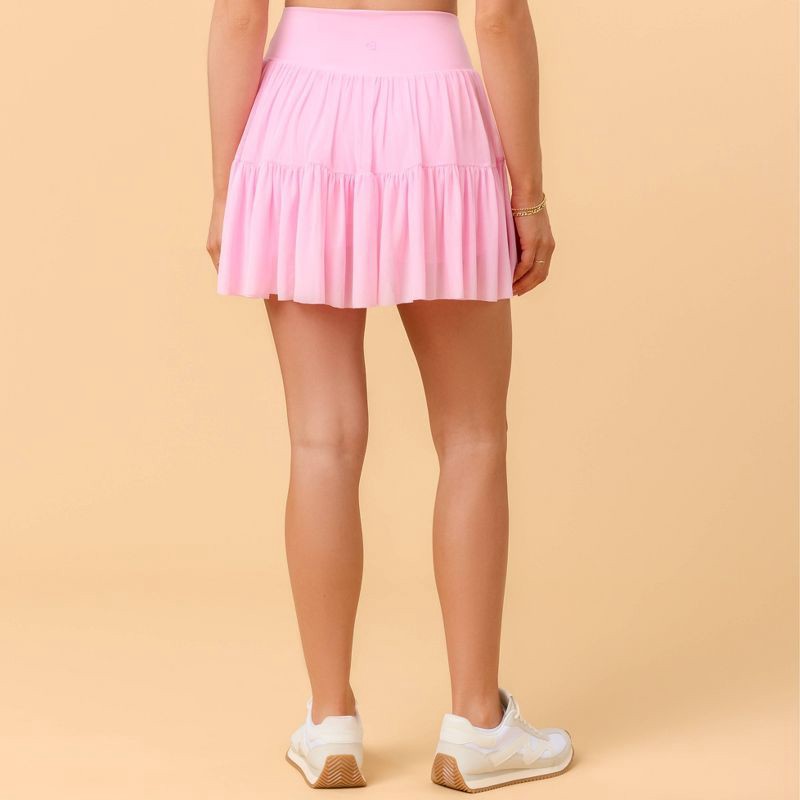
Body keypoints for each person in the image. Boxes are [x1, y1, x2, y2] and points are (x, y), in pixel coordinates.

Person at [206, 0, 573, 791]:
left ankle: (330, 721)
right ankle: (476, 726)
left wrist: (225, 190)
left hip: (297, 119)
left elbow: (238, 18)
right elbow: (499, 18)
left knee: (321, 442)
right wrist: (530, 196)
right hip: (435, 118)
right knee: (473, 437)